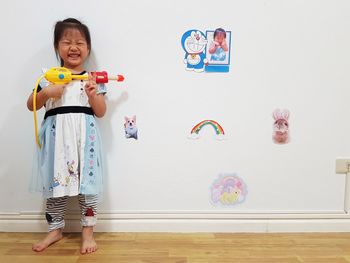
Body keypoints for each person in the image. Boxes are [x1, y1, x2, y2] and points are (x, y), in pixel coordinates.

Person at [27, 18, 107, 254]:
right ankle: (55, 229)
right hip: (57, 143)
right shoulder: (47, 77)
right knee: (55, 186)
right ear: (57, 47)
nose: (74, 47)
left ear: (88, 49)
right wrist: (47, 93)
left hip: (85, 144)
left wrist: (93, 95)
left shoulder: (92, 79)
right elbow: (30, 105)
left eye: (80, 42)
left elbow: (101, 112)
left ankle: (88, 233)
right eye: (67, 42)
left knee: (88, 187)